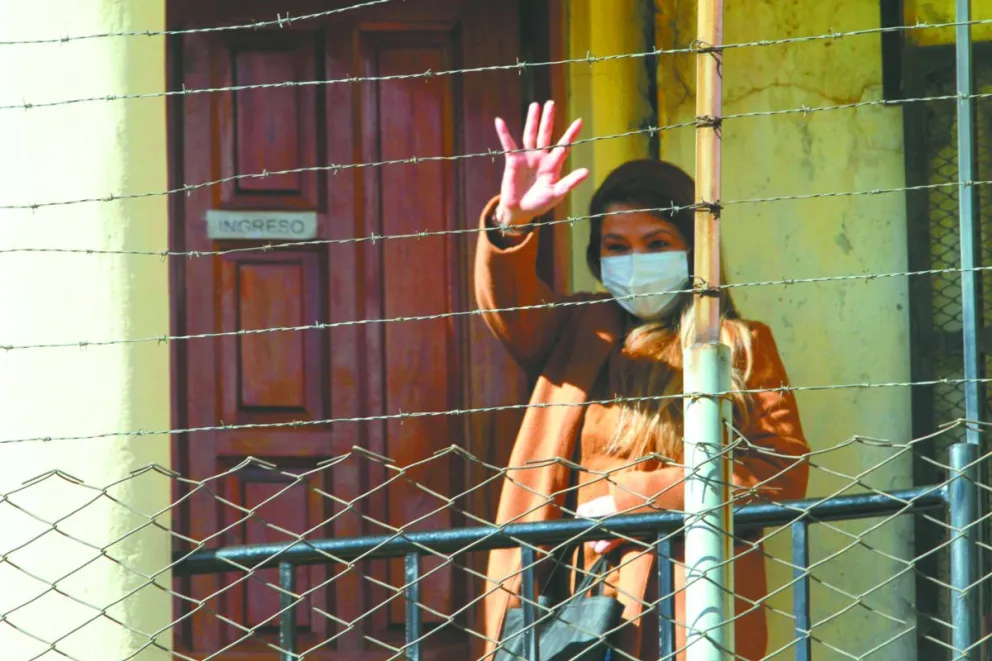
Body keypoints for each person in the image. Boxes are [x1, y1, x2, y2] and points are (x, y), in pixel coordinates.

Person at [475, 100, 810, 660]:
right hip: (575, 594)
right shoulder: (579, 329)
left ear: (693, 248)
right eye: (617, 247)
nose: (636, 260)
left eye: (657, 243)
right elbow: (509, 310)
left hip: (689, 594)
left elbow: (782, 472)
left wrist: (634, 501)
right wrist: (514, 221)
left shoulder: (740, 343)